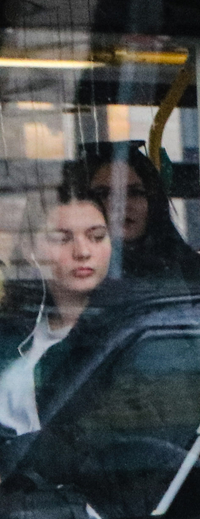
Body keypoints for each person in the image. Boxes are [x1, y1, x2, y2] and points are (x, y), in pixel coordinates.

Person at [1, 180, 119, 437]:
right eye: (62, 239)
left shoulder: (131, 329)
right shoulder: (13, 333)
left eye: (97, 237)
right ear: (30, 248)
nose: (83, 251)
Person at [85, 145, 200, 287]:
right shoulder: (74, 275)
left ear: (154, 201)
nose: (122, 205)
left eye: (134, 192)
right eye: (103, 194)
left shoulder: (193, 272)